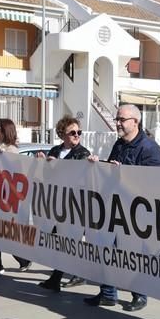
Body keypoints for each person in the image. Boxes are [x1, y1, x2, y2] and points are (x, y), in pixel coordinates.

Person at [85, 104, 160, 312]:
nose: (117, 123)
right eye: (117, 119)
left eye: (121, 119)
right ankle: (108, 294)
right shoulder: (119, 145)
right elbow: (110, 171)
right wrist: (98, 164)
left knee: (132, 257)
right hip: (114, 209)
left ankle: (139, 294)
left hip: (137, 212)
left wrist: (124, 174)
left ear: (135, 122)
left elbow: (153, 183)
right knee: (107, 252)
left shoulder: (150, 149)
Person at [37, 116, 91, 292]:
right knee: (59, 240)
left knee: (69, 241)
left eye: (79, 132)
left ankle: (58, 278)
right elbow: (47, 176)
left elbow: (77, 176)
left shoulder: (83, 153)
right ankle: (70, 274)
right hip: (56, 203)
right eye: (72, 132)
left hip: (74, 203)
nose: (77, 135)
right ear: (62, 134)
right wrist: (43, 163)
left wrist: (56, 166)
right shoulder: (55, 150)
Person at [0, 118, 31, 275]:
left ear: (4, 130)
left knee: (4, 232)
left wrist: (3, 158)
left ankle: (24, 259)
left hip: (5, 199)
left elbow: (13, 173)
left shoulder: (10, 150)